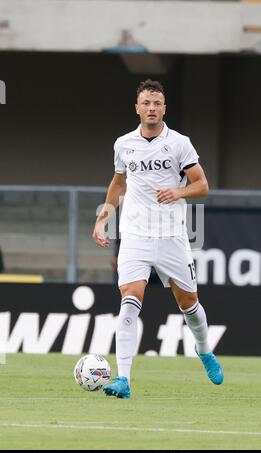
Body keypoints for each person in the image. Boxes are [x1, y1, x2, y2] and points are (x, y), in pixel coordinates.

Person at [92, 79, 223, 399]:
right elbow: (118, 184)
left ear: (165, 108)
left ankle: (204, 351)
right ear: (137, 107)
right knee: (129, 302)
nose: (151, 108)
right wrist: (103, 219)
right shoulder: (123, 144)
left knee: (189, 304)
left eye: (157, 104)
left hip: (172, 236)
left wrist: (178, 191)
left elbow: (203, 185)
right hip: (135, 235)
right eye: (146, 103)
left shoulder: (179, 144)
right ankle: (123, 380)